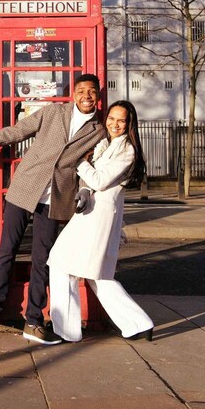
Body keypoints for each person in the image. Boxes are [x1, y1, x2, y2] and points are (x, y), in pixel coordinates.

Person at [0, 73, 105, 345]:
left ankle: (33, 320)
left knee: (42, 260)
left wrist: (85, 189)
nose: (87, 95)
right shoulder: (53, 112)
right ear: (72, 94)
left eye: (92, 91)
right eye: (81, 90)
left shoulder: (99, 130)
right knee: (8, 249)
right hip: (25, 187)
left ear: (98, 95)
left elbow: (94, 163)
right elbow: (16, 131)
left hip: (58, 197)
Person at [47, 100, 153, 342]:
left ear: (129, 124)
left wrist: (78, 161)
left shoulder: (127, 150)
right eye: (111, 118)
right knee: (91, 273)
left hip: (98, 218)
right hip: (92, 215)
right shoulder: (109, 145)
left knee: (66, 265)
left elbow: (100, 181)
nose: (115, 124)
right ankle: (138, 324)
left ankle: (67, 330)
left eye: (121, 120)